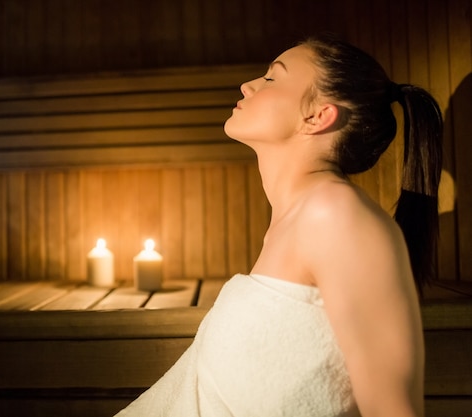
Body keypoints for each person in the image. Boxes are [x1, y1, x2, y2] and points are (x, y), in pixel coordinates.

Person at [115, 33, 442, 417]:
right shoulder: (297, 219)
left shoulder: (336, 215)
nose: (248, 85)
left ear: (318, 115)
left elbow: (394, 410)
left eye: (271, 78)